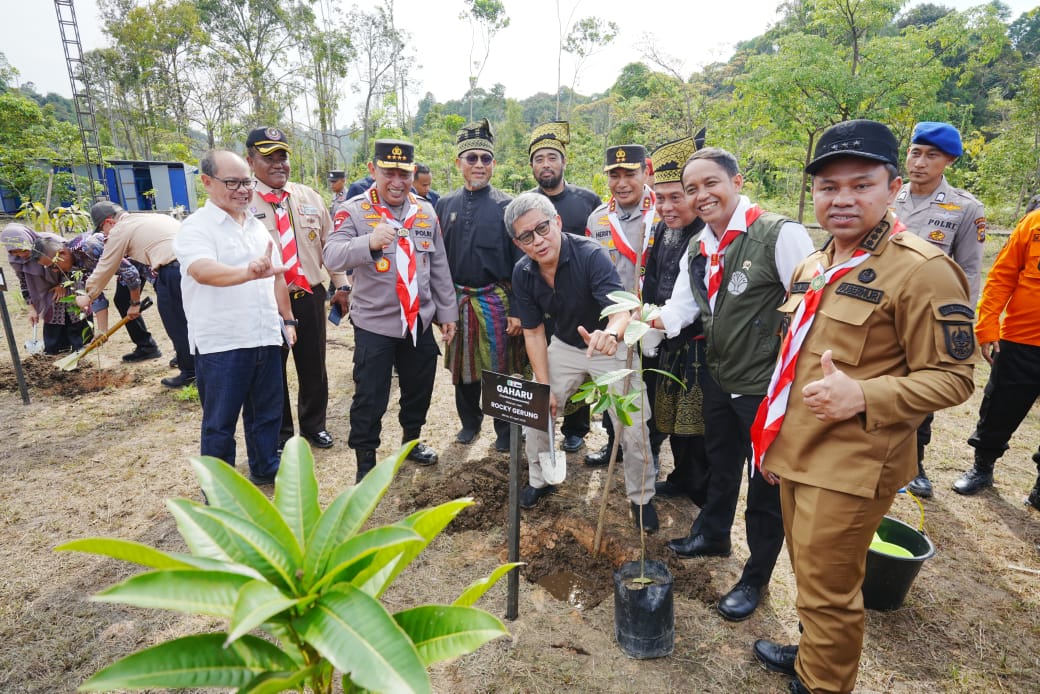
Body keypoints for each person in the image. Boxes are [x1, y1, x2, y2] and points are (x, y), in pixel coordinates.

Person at [750, 119, 977, 694]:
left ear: (893, 186)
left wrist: (865, 393)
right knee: (808, 570)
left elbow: (954, 379)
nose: (843, 199)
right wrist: (773, 439)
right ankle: (813, 655)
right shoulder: (814, 264)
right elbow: (793, 363)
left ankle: (822, 684)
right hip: (799, 449)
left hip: (854, 462)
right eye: (829, 188)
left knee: (828, 587)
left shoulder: (923, 270)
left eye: (861, 185)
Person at [653, 147, 815, 622]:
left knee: (765, 487)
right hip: (719, 378)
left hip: (768, 389)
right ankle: (713, 533)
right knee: (721, 462)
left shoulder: (779, 234)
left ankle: (756, 577)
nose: (700, 196)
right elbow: (680, 311)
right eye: (691, 189)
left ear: (737, 181)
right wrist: (633, 323)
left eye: (710, 184)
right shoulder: (700, 245)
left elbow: (810, 313)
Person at [508, 192, 659, 532]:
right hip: (565, 343)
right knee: (536, 407)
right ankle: (540, 478)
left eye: (543, 228)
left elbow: (622, 308)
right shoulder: (523, 272)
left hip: (608, 344)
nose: (538, 240)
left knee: (633, 426)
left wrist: (612, 333)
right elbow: (533, 332)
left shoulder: (590, 255)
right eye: (526, 236)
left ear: (557, 223)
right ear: (519, 244)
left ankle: (642, 498)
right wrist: (544, 386)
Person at [323, 139, 458, 481]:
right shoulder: (354, 210)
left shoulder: (425, 211)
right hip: (376, 325)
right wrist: (368, 242)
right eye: (388, 173)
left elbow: (438, 264)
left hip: (419, 320)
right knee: (370, 397)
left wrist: (448, 313)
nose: (397, 181)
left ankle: (411, 442)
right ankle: (365, 461)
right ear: (372, 171)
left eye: (404, 173)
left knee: (419, 389)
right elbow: (332, 256)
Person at [173, 149, 296, 485]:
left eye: (247, 182)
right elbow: (201, 270)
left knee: (267, 414)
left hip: (264, 336)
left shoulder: (256, 226)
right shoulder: (196, 227)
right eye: (233, 182)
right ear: (207, 182)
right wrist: (247, 272)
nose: (243, 190)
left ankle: (265, 465)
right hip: (223, 343)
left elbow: (275, 275)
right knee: (220, 423)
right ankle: (221, 488)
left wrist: (286, 320)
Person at [893, 121, 986, 498]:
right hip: (880, 305)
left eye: (932, 155)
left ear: (948, 160)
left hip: (927, 314)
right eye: (916, 152)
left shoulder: (964, 208)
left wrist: (959, 322)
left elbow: (968, 270)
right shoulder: (888, 195)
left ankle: (915, 466)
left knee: (920, 387)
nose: (920, 162)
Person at [246, 127, 349, 451]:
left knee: (313, 365)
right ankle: (279, 434)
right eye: (268, 158)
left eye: (283, 157)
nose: (278, 164)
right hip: (264, 300)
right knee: (271, 370)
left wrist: (341, 285)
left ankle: (313, 425)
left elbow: (330, 248)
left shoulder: (309, 197)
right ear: (251, 161)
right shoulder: (242, 201)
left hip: (308, 294)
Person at [435, 119, 524, 452]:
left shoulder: (508, 206)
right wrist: (442, 308)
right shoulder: (444, 204)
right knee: (462, 369)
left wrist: (517, 310)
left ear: (493, 164)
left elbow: (521, 264)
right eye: (471, 158)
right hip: (458, 300)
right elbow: (438, 262)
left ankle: (504, 431)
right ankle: (469, 424)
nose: (478, 165)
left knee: (499, 368)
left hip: (496, 301)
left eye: (485, 159)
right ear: (459, 163)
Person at [950, 207, 1040, 505]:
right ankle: (982, 467)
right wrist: (987, 326)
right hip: (1020, 339)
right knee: (1000, 406)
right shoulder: (1034, 222)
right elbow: (1002, 274)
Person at [527, 120, 602, 453]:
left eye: (552, 157)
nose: (546, 164)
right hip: (541, 300)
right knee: (546, 369)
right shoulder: (524, 204)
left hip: (582, 303)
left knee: (581, 367)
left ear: (563, 162)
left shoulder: (587, 200)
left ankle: (576, 428)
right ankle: (544, 432)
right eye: (539, 158)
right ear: (531, 166)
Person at [641, 136, 709, 505]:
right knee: (663, 414)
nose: (666, 207)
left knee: (693, 423)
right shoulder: (662, 229)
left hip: (696, 344)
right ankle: (681, 477)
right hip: (659, 336)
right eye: (659, 198)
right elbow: (652, 278)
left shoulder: (708, 235)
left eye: (675, 197)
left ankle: (700, 490)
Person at [583, 144, 659, 468]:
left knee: (649, 391)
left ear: (646, 172)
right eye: (615, 175)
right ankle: (613, 443)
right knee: (615, 385)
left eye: (630, 173)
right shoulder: (598, 218)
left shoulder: (662, 215)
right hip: (614, 322)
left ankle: (648, 454)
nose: (622, 182)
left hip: (651, 321)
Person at [79, 202, 194, 388]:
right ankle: (199, 365)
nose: (105, 235)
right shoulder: (152, 217)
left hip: (173, 270)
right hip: (197, 267)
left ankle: (191, 373)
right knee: (192, 320)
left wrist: (88, 295)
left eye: (103, 230)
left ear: (109, 222)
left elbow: (106, 265)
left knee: (176, 323)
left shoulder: (120, 229)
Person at [2, 223, 92, 355]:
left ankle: (82, 351)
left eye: (22, 249)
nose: (20, 254)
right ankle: (57, 355)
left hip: (70, 287)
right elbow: (24, 283)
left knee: (76, 319)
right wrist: (31, 308)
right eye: (14, 252)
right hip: (47, 294)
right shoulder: (16, 260)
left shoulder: (51, 242)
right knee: (54, 327)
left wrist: (63, 284)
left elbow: (73, 262)